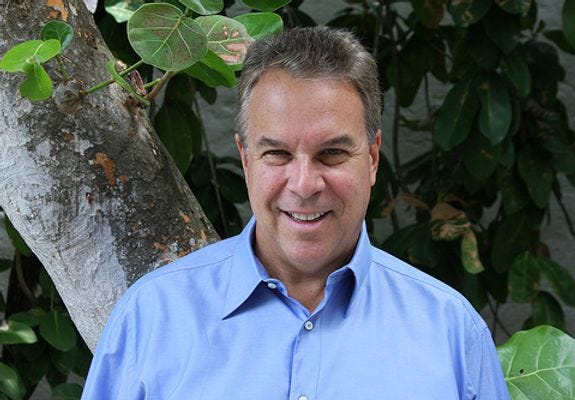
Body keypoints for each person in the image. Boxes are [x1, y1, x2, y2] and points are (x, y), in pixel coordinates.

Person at [82, 27, 509, 399]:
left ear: (373, 158)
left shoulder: (451, 333)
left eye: (332, 153)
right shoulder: (151, 317)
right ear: (246, 160)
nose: (304, 185)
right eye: (277, 154)